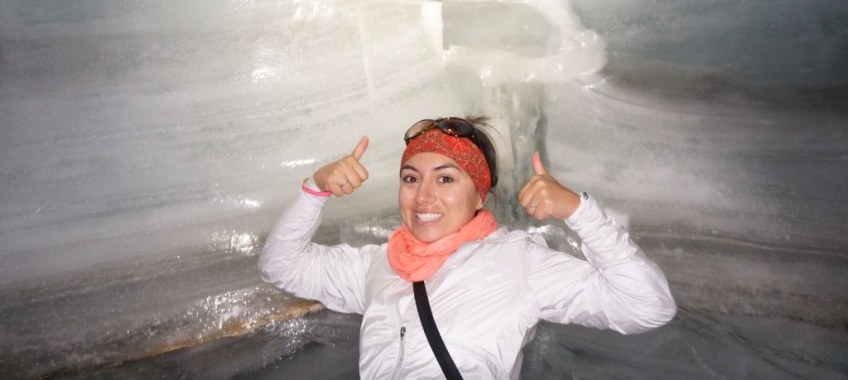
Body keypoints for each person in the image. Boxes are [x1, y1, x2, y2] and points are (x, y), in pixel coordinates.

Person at [259, 117, 676, 379]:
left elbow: (647, 306)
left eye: (445, 179)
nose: (423, 197)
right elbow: (281, 265)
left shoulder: (516, 260)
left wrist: (579, 211)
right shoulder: (378, 265)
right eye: (410, 178)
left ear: (479, 194)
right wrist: (315, 190)